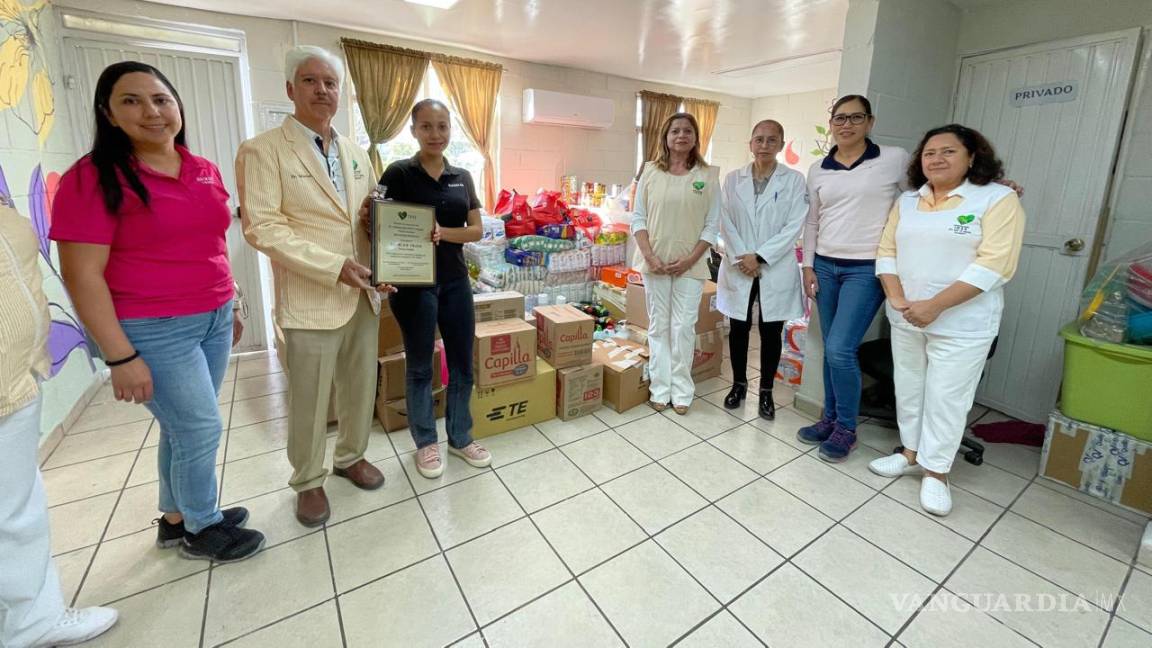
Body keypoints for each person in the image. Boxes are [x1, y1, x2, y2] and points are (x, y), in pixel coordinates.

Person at [51, 61, 264, 562]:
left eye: (161, 99)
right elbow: (82, 276)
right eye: (131, 101)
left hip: (211, 317)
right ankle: (201, 527)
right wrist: (120, 357)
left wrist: (232, 304)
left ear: (177, 108)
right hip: (152, 327)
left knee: (183, 426)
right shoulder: (93, 178)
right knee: (201, 428)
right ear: (108, 113)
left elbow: (213, 242)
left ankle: (176, 518)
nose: (151, 111)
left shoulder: (201, 167)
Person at [237, 46, 387, 526]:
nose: (322, 90)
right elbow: (263, 227)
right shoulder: (262, 151)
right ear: (289, 90)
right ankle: (307, 480)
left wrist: (384, 239)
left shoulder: (357, 153)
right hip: (309, 297)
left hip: (363, 293)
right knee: (310, 397)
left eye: (330, 83)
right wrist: (332, 266)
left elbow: (365, 219)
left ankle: (350, 457)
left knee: (360, 387)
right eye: (310, 81)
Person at [868, 124, 1024, 516]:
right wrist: (898, 297)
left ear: (972, 157)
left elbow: (995, 266)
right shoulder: (907, 202)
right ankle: (909, 454)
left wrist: (935, 305)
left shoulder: (997, 199)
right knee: (910, 387)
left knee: (947, 397)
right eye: (929, 152)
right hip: (906, 315)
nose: (936, 159)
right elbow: (886, 252)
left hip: (962, 323)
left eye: (948, 151)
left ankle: (937, 473)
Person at [1, 206, 118, 648]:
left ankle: (28, 613)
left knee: (15, 504)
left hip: (15, 374)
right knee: (15, 512)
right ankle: (33, 622)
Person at [376, 99, 492, 478]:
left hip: (456, 281)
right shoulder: (397, 173)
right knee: (421, 368)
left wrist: (444, 234)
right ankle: (425, 444)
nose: (435, 134)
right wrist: (383, 268)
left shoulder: (463, 176)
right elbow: (378, 224)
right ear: (413, 131)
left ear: (450, 130)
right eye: (426, 127)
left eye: (442, 126)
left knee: (462, 364)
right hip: (414, 286)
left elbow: (476, 229)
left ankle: (460, 437)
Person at [796, 95, 911, 462]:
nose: (846, 125)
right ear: (831, 123)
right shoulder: (819, 169)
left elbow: (926, 195)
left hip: (866, 268)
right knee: (831, 347)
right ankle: (829, 418)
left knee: (840, 348)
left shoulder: (894, 159)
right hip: (825, 266)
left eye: (855, 118)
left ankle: (847, 427)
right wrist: (808, 266)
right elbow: (812, 220)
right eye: (839, 118)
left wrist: (987, 187)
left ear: (870, 122)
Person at [716, 119, 808, 420]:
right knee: (739, 328)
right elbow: (725, 220)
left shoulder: (794, 180)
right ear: (751, 144)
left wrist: (761, 257)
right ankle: (739, 384)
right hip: (740, 265)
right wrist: (743, 257)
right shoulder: (733, 179)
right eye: (759, 139)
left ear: (781, 144)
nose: (764, 145)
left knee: (771, 331)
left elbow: (794, 225)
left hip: (774, 266)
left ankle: (766, 391)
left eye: (771, 140)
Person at [632, 112, 721, 415]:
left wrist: (690, 259)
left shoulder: (707, 175)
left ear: (696, 138)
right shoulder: (650, 172)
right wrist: (650, 256)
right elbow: (638, 218)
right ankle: (660, 387)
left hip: (691, 265)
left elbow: (712, 225)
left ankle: (682, 391)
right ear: (665, 137)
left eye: (687, 131)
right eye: (675, 131)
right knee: (659, 326)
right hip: (654, 262)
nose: (681, 136)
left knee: (683, 327)